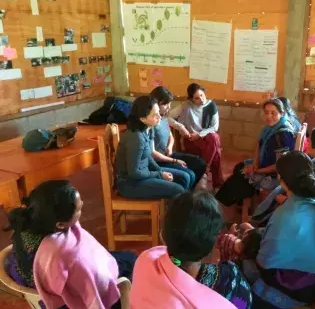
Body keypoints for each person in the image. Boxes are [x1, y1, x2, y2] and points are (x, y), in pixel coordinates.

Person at [6, 180, 137, 309]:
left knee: (126, 258)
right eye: (79, 209)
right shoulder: (64, 254)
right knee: (132, 261)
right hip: (62, 298)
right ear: (60, 225)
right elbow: (92, 282)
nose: (83, 204)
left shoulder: (27, 224)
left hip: (38, 288)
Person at [130, 190, 253, 309]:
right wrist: (228, 259)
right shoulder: (230, 280)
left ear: (163, 234)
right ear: (213, 243)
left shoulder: (145, 260)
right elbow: (244, 304)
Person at [251, 151, 315, 308]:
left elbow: (264, 261)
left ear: (281, 180)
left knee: (244, 257)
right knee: (254, 236)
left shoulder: (285, 214)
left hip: (299, 285)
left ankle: (238, 300)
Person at [252, 126, 315, 225]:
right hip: (307, 209)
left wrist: (284, 198)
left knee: (278, 198)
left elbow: (311, 206)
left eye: (309, 141)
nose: (307, 142)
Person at [215, 98, 295, 207]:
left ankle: (222, 204)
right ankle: (240, 202)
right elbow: (259, 145)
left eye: (273, 113)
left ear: (282, 113)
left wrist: (258, 171)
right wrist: (255, 164)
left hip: (275, 176)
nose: (269, 116)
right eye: (266, 113)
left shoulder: (283, 134)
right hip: (265, 165)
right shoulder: (269, 128)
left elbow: (280, 166)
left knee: (241, 175)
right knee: (240, 167)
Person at [115, 96, 185, 199]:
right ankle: (173, 213)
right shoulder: (136, 137)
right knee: (179, 190)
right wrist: (159, 174)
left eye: (158, 113)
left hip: (141, 175)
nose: (160, 118)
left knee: (183, 178)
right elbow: (134, 172)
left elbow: (148, 157)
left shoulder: (146, 129)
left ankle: (172, 211)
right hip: (129, 183)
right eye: (155, 115)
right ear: (142, 119)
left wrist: (160, 171)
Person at [150, 86, 206, 189]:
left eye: (169, 104)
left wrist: (170, 147)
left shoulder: (162, 117)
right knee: (188, 175)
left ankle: (188, 191)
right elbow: (152, 153)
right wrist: (174, 161)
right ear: (156, 103)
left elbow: (170, 135)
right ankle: (183, 195)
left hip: (168, 154)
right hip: (158, 160)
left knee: (200, 163)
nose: (169, 107)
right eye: (166, 104)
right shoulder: (152, 121)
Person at [169, 83, 223, 190]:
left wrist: (199, 135)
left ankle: (204, 172)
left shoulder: (211, 105)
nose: (201, 100)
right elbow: (168, 117)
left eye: (202, 95)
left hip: (206, 139)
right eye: (197, 98)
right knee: (215, 150)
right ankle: (218, 184)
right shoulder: (186, 105)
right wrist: (181, 127)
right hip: (191, 140)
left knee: (214, 138)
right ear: (191, 99)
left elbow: (214, 127)